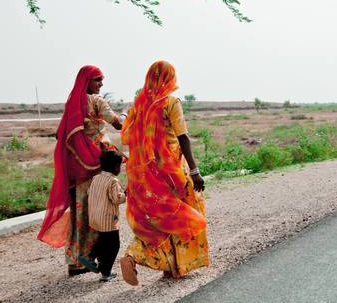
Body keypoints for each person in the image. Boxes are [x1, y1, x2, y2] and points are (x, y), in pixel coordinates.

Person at [119, 60, 209, 286]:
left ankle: (146, 259)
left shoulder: (141, 103)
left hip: (146, 175)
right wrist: (195, 171)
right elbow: (183, 137)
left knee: (159, 219)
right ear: (170, 78)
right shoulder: (170, 102)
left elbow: (131, 136)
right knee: (186, 214)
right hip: (171, 173)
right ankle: (166, 263)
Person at [37, 65, 126, 276]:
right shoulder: (97, 102)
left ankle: (76, 263)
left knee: (80, 213)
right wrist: (125, 113)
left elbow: (62, 135)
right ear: (87, 81)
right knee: (99, 212)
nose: (101, 84)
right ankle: (100, 262)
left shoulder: (72, 104)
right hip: (95, 164)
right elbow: (118, 125)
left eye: (101, 79)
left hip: (76, 167)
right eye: (97, 80)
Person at [79, 150, 126, 281]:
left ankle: (89, 257)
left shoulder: (96, 178)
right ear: (116, 167)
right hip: (108, 219)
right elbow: (117, 199)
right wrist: (125, 195)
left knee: (103, 240)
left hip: (95, 217)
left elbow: (90, 192)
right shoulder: (113, 181)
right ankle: (106, 272)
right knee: (114, 245)